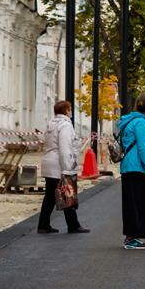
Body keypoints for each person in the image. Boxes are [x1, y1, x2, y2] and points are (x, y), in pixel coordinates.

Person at [38, 100, 89, 234]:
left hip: (49, 163)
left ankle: (43, 224)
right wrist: (67, 169)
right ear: (66, 111)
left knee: (50, 196)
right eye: (70, 109)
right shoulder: (65, 126)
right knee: (67, 193)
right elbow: (65, 148)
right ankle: (73, 225)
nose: (71, 111)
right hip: (59, 165)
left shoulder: (51, 125)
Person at [119, 93, 145, 251]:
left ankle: (131, 237)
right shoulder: (141, 123)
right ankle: (131, 239)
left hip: (128, 167)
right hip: (138, 168)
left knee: (130, 203)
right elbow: (144, 148)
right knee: (138, 203)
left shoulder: (128, 121)